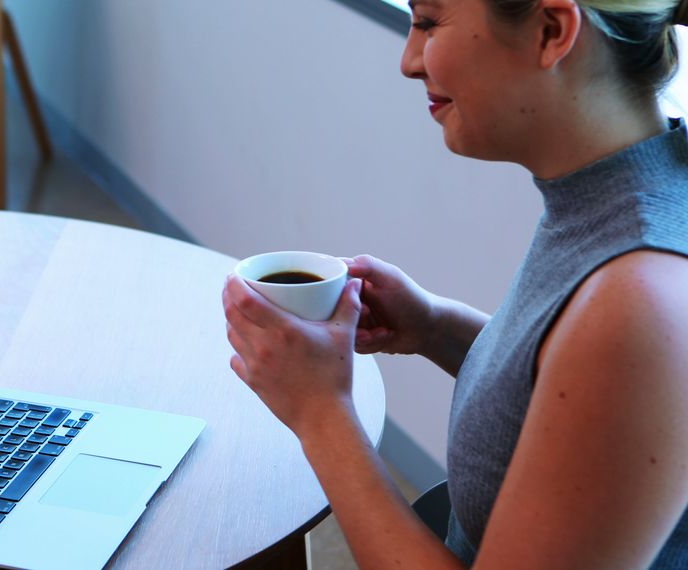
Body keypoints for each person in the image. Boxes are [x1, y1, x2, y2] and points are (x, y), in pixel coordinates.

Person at [222, 0, 688, 566]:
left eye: (427, 21)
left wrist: (322, 414)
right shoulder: (623, 195)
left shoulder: (641, 299)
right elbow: (571, 398)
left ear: (551, 30)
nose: (409, 60)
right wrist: (436, 329)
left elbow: (620, 351)